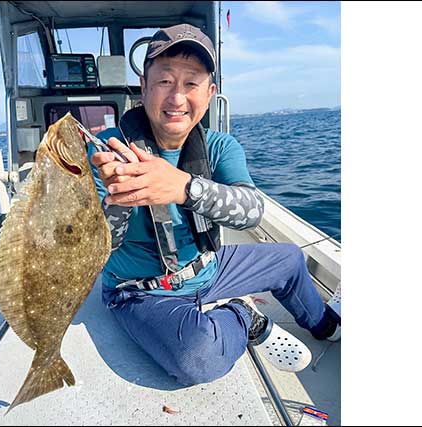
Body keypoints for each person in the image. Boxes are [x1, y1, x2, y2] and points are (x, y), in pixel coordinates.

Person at [87, 23, 341, 386]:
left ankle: (326, 324)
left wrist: (183, 188)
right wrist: (119, 197)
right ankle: (243, 316)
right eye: (164, 81)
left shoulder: (220, 146)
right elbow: (97, 248)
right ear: (143, 87)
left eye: (191, 83)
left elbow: (252, 209)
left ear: (209, 93)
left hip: (209, 267)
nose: (177, 98)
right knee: (198, 358)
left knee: (289, 258)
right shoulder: (106, 151)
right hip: (141, 291)